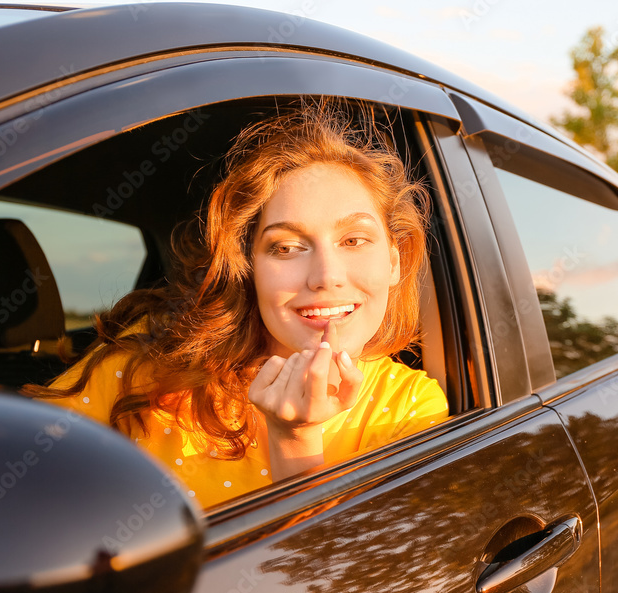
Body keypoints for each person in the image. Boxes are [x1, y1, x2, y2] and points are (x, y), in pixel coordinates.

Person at [23, 104, 448, 508]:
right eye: (286, 247)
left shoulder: (411, 408)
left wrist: (294, 439)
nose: (325, 276)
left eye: (354, 240)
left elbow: (340, 579)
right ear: (249, 270)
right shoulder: (147, 363)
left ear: (394, 260)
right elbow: (13, 484)